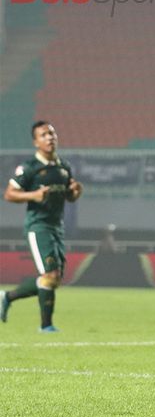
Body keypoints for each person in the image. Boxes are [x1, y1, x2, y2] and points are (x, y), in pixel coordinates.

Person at [0, 121, 83, 332]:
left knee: (53, 279)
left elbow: (70, 196)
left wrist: (75, 192)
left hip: (57, 227)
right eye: (44, 135)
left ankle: (7, 297)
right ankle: (46, 327)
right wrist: (33, 195)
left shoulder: (64, 167)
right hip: (38, 226)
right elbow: (9, 194)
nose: (49, 137)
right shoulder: (29, 168)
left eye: (52, 133)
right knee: (51, 275)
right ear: (36, 142)